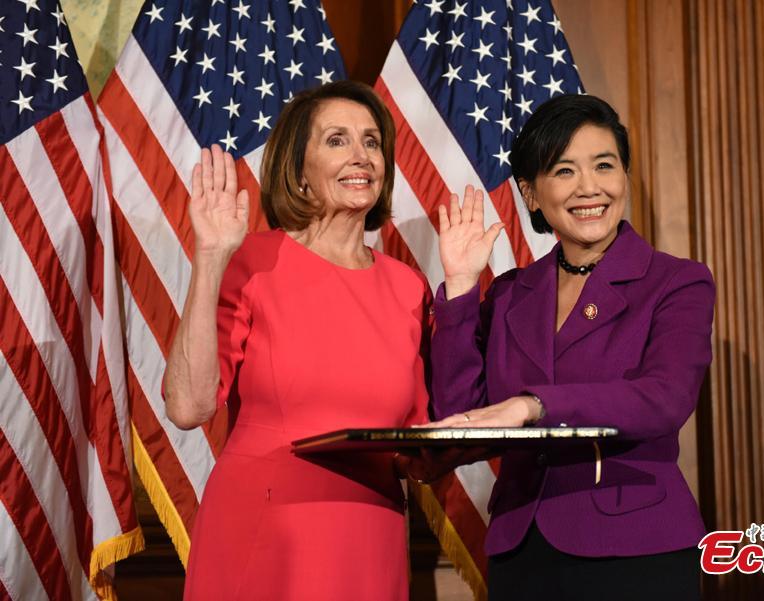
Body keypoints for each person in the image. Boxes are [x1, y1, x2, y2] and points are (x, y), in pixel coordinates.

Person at [427, 94, 715, 600]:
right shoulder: (512, 292)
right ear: (531, 194)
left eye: (604, 165)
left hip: (635, 551)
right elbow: (463, 416)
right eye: (564, 170)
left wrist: (532, 406)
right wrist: (460, 287)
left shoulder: (676, 282)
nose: (589, 187)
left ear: (624, 175)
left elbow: (665, 399)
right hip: (523, 551)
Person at [162, 81, 430, 600]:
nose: (362, 156)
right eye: (337, 140)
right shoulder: (253, 260)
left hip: (371, 541)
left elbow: (414, 444)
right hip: (266, 533)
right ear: (298, 171)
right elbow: (188, 406)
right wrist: (212, 256)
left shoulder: (407, 287)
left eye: (372, 142)